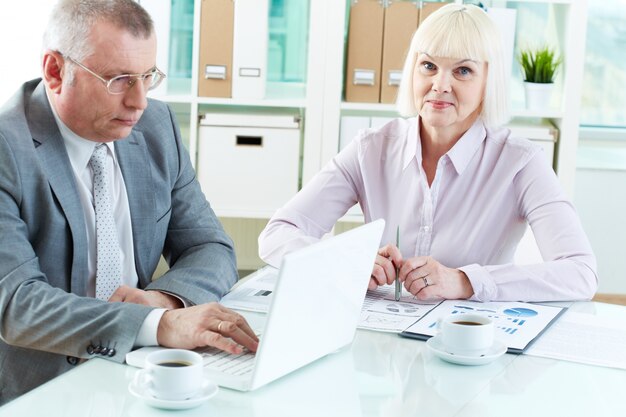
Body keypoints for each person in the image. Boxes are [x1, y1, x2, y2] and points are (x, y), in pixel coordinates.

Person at [0, 0, 257, 404]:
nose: (139, 101)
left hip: (142, 373)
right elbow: (17, 305)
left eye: (148, 76)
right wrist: (158, 323)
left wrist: (163, 301)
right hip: (40, 387)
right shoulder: (7, 149)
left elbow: (210, 247)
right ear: (55, 71)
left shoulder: (157, 126)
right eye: (118, 79)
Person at [258, 4, 597, 303]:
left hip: (467, 343)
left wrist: (464, 281)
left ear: (488, 81)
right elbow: (277, 234)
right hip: (379, 338)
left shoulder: (521, 162)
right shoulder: (371, 148)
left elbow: (580, 273)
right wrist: (347, 262)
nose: (440, 85)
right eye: (429, 66)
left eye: (463, 71)